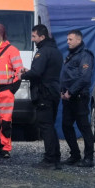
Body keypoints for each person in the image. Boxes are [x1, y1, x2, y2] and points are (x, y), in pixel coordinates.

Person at [21, 24, 63, 169]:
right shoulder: (56, 51)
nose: (32, 39)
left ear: (42, 37)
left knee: (45, 127)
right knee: (50, 126)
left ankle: (50, 159)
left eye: (34, 36)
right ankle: (55, 157)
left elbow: (37, 72)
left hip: (44, 93)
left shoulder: (43, 52)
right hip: (53, 92)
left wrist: (23, 74)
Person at [0, 23, 23, 159]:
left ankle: (5, 148)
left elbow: (19, 71)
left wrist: (12, 88)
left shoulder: (12, 50)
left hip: (5, 91)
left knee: (6, 121)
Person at [60, 29, 95, 167]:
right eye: (67, 39)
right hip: (68, 97)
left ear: (78, 40)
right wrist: (63, 91)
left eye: (70, 39)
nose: (67, 42)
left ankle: (89, 158)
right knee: (66, 126)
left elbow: (84, 78)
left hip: (79, 97)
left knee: (84, 127)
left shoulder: (85, 55)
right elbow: (67, 76)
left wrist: (71, 91)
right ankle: (75, 155)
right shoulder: (71, 55)